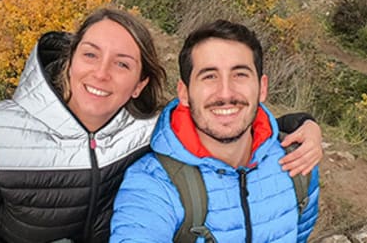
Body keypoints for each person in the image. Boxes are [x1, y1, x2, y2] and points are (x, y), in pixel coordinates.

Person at [0, 8, 321, 243]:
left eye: (122, 63)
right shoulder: (0, 136)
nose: (101, 74)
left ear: (140, 84)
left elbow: (219, 117)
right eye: (90, 55)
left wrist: (301, 125)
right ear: (68, 61)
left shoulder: (146, 130)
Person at [110, 19, 321, 243]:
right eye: (209, 76)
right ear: (184, 93)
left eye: (240, 74)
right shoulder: (154, 183)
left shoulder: (298, 162)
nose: (225, 93)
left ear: (262, 88)